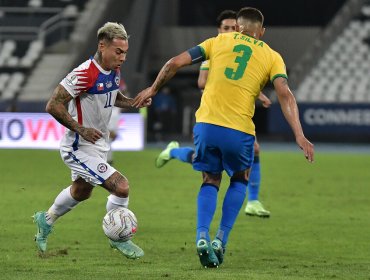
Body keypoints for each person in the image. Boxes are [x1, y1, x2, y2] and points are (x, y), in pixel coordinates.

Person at [133, 7, 314, 268]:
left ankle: (201, 236)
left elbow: (174, 62)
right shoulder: (273, 56)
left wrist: (152, 88)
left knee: (210, 179)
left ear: (238, 28)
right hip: (239, 129)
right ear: (261, 32)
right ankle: (220, 239)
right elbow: (285, 94)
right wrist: (299, 133)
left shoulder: (216, 41)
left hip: (206, 125)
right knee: (240, 178)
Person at [33, 22, 151, 259]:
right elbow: (53, 104)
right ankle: (119, 238)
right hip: (78, 146)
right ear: (102, 46)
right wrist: (80, 129)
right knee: (121, 186)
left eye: (125, 52)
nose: (123, 58)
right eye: (118, 52)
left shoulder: (113, 71)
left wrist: (131, 102)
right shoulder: (83, 73)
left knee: (82, 190)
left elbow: (111, 94)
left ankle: (45, 220)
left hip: (98, 145)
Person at [155, 10, 271, 218]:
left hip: (234, 116)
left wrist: (256, 92)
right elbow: (202, 81)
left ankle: (253, 200)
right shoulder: (215, 49)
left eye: (233, 27)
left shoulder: (236, 51)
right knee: (210, 167)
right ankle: (173, 152)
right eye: (225, 28)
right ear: (219, 30)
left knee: (254, 150)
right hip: (211, 114)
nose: (230, 31)